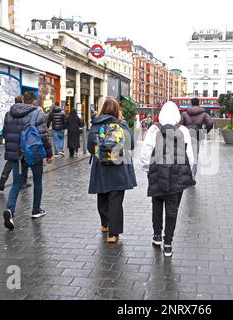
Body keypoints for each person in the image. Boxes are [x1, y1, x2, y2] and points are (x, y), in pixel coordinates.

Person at [141, 101, 195, 257]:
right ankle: (168, 243)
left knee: (157, 204)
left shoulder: (154, 129)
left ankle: (157, 235)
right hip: (177, 175)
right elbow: (189, 156)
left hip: (157, 173)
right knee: (172, 209)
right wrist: (188, 173)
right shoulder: (183, 130)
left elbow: (146, 153)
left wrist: (147, 171)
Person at [87, 97, 137, 244]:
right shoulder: (121, 124)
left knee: (102, 195)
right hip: (119, 166)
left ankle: (105, 224)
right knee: (115, 199)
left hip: (100, 166)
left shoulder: (95, 124)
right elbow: (131, 145)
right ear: (117, 109)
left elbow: (90, 147)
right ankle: (113, 234)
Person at [1, 91, 53, 230]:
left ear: (23, 100)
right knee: (37, 181)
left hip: (16, 155)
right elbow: (43, 136)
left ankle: (10, 210)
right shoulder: (37, 114)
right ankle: (36, 210)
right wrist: (49, 153)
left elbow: (5, 133)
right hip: (33, 153)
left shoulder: (8, 114)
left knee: (16, 183)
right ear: (33, 101)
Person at [0, 95, 30, 191]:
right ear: (22, 101)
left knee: (10, 161)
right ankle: (23, 182)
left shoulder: (8, 114)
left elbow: (5, 128)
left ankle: (3, 177)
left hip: (10, 140)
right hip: (21, 141)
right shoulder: (25, 114)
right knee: (24, 161)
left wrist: (6, 137)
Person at [179, 97, 214, 178]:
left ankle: (185, 174)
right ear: (198, 103)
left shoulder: (184, 113)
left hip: (185, 137)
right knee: (194, 156)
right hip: (196, 136)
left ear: (191, 103)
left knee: (185, 155)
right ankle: (192, 176)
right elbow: (210, 123)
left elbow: (179, 125)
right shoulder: (204, 114)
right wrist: (203, 132)